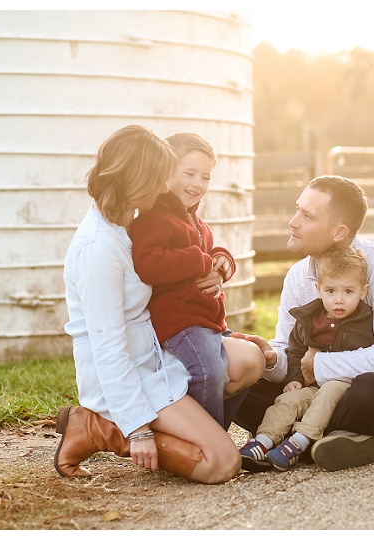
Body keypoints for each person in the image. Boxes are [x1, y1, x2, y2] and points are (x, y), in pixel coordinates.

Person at [56, 124, 262, 484]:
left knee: (246, 360)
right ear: (134, 178)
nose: (165, 187)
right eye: (158, 178)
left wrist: (213, 271)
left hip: (152, 358)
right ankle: (100, 428)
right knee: (221, 464)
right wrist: (137, 429)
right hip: (125, 374)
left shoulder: (122, 228)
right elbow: (107, 346)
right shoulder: (98, 249)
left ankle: (196, 433)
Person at [230, 175, 374, 473]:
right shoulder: (299, 277)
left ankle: (298, 437)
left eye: (306, 216)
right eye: (297, 210)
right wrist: (271, 360)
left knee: (369, 387)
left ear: (339, 232)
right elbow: (292, 355)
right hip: (317, 396)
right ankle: (337, 438)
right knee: (244, 376)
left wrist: (319, 364)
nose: (292, 222)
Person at [129, 132, 265, 427]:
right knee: (209, 373)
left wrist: (221, 263)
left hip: (206, 320)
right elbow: (150, 263)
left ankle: (217, 435)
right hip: (179, 321)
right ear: (166, 173)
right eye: (189, 173)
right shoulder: (154, 217)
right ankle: (202, 444)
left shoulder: (197, 223)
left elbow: (208, 254)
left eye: (205, 177)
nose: (197, 184)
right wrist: (202, 261)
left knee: (257, 360)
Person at [238, 245, 374, 472]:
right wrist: (294, 378)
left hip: (346, 389)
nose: (339, 300)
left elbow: (373, 358)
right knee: (289, 400)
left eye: (348, 292)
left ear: (363, 291)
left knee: (331, 389)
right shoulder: (308, 320)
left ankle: (299, 442)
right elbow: (295, 350)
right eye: (331, 291)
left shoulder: (366, 322)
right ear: (319, 289)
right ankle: (263, 442)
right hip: (313, 387)